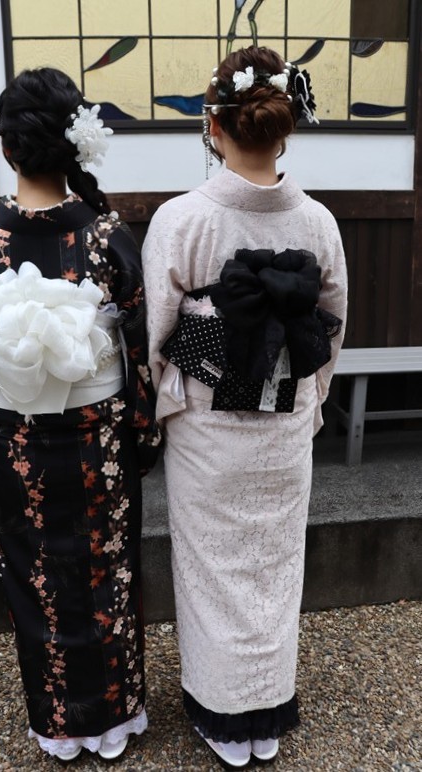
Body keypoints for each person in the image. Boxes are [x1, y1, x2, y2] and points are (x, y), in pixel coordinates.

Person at [0, 67, 160, 763]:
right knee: (107, 574)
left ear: (7, 149)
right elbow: (138, 347)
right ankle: (116, 720)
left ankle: (58, 726)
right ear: (73, 146)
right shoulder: (107, 236)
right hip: (99, 441)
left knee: (35, 579)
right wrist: (143, 431)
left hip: (16, 443)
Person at [142, 46, 347, 769]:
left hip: (207, 424)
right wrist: (308, 400)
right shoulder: (318, 222)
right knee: (273, 566)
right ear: (284, 128)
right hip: (285, 421)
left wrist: (170, 401)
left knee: (213, 568)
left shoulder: (180, 219)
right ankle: (265, 710)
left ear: (213, 124)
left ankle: (224, 717)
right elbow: (331, 329)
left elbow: (158, 334)